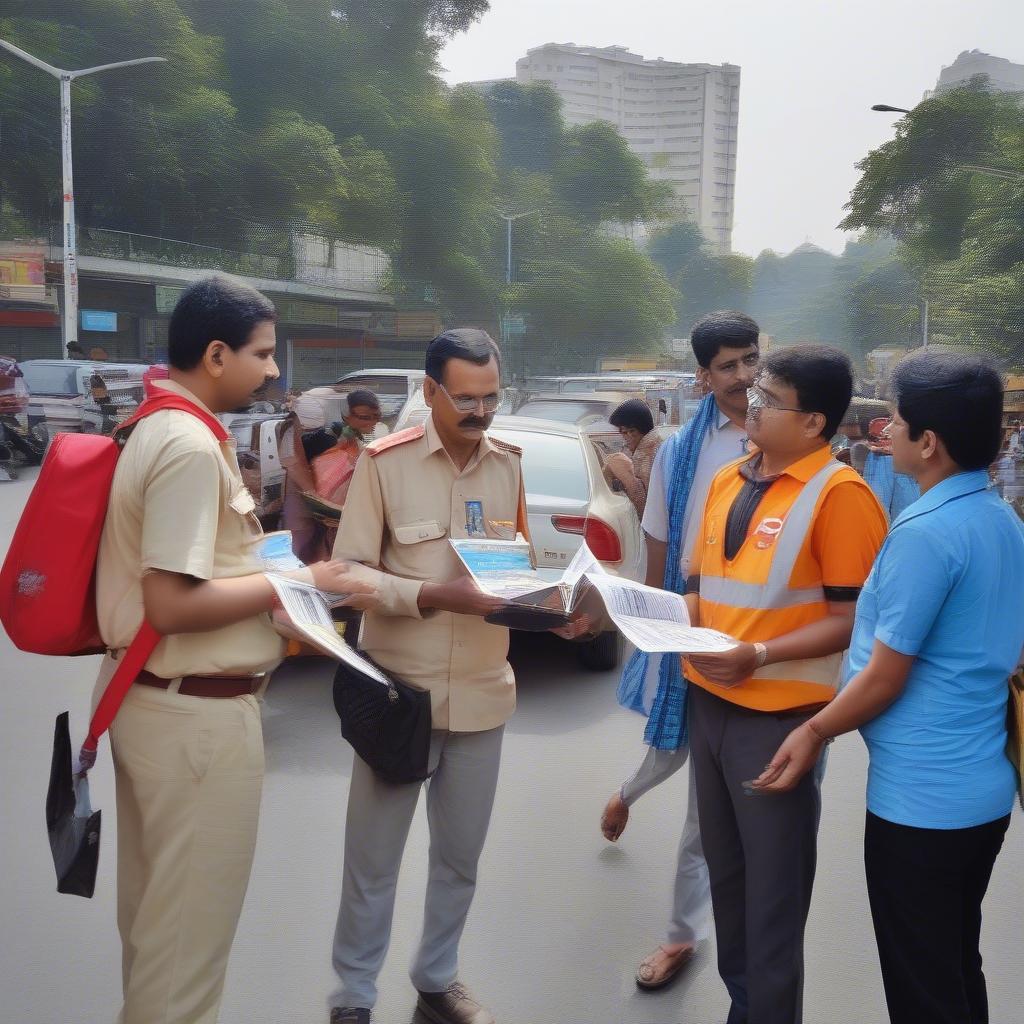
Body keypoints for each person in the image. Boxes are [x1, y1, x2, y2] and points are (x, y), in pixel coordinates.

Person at [94, 274, 374, 1024]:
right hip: (195, 725)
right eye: (262, 353)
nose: (275, 371)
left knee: (159, 933)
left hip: (156, 704)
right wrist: (304, 581)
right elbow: (171, 602)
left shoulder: (161, 425)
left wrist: (277, 581)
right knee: (185, 952)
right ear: (216, 355)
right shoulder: (187, 445)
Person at [754, 351, 1024, 1024]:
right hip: (981, 788)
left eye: (896, 422)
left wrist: (814, 730)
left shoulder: (927, 535)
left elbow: (884, 674)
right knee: (955, 962)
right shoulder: (1001, 520)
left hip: (923, 803)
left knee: (923, 987)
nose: (886, 433)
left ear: (927, 443)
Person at [327, 328, 585, 1024]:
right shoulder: (386, 463)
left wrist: (552, 610)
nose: (480, 412)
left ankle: (436, 979)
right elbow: (345, 575)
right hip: (397, 696)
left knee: (459, 859)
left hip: (481, 694)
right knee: (372, 865)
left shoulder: (509, 465)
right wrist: (432, 594)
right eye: (465, 398)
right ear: (430, 390)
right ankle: (352, 996)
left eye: (491, 398)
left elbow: (516, 568)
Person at [682, 345, 887, 1024]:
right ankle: (745, 1006)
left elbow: (854, 618)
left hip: (777, 721)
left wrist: (760, 653)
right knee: (729, 882)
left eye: (770, 397)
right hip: (709, 705)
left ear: (813, 424)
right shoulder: (725, 480)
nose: (750, 400)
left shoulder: (842, 496)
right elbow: (704, 586)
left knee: (772, 898)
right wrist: (663, 617)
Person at [603, 311, 760, 991]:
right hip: (695, 627)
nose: (745, 377)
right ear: (702, 376)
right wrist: (654, 628)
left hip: (766, 640)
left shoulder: (784, 436)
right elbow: (659, 546)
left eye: (752, 360)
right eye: (728, 366)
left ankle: (712, 931)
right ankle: (682, 935)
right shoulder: (679, 453)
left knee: (725, 799)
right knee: (687, 771)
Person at [602, 398, 664, 517]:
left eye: (625, 432)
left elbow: (642, 502)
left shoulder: (648, 454)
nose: (624, 438)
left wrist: (624, 474)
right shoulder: (652, 446)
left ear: (633, 431)